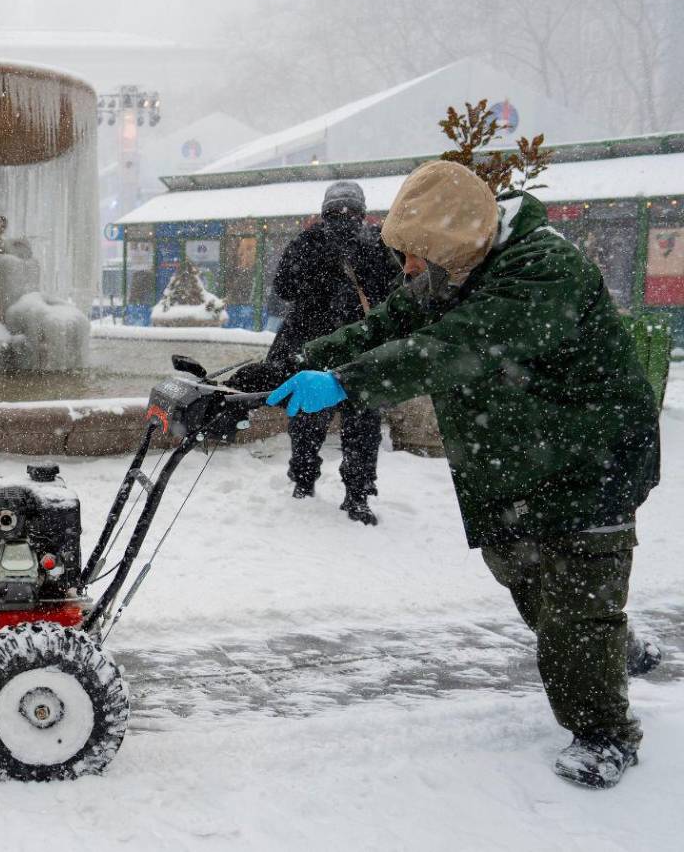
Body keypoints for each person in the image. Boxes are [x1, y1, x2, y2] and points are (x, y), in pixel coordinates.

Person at [266, 160, 661, 789]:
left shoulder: (542, 271)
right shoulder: (461, 261)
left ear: (452, 241)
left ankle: (604, 733)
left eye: (418, 257)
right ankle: (612, 646)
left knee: (572, 606)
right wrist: (297, 362)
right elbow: (391, 323)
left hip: (591, 456)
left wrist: (347, 383)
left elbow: (453, 345)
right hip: (516, 458)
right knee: (523, 571)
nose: (410, 271)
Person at [243, 181, 400, 525]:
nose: (344, 218)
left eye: (347, 211)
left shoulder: (313, 240)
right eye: (339, 212)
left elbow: (283, 287)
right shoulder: (374, 242)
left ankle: (308, 482)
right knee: (359, 423)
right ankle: (353, 494)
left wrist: (315, 267)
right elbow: (394, 294)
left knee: (312, 419)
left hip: (319, 345)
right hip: (358, 346)